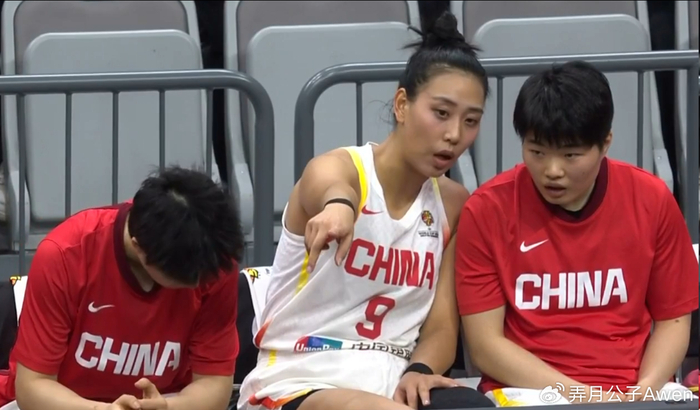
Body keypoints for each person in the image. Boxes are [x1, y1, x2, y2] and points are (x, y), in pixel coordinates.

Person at [238, 11, 494, 410]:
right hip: (301, 378)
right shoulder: (343, 168)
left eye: (471, 120)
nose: (454, 134)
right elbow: (329, 185)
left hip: (394, 380)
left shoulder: (454, 204)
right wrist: (339, 207)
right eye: (441, 113)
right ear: (402, 104)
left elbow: (442, 325)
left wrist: (420, 369)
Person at [455, 61, 699, 406]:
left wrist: (641, 393)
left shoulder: (652, 199)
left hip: (634, 390)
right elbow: (485, 346)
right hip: (529, 391)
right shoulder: (486, 211)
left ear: (605, 143)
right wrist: (587, 398)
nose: (552, 170)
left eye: (571, 155)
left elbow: (673, 320)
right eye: (537, 152)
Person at [0, 166, 244, 410]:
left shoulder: (216, 262)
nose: (201, 283)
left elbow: (214, 384)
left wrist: (168, 408)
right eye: (188, 277)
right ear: (139, 248)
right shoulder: (64, 255)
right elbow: (33, 388)